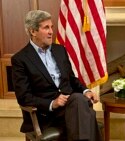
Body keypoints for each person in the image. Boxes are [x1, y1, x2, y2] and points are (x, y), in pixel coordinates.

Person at [11, 10, 102, 141]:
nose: (51, 32)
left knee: (80, 100)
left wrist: (86, 90)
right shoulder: (20, 59)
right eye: (46, 28)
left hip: (70, 107)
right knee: (86, 111)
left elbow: (71, 79)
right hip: (46, 115)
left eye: (52, 27)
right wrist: (52, 103)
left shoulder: (60, 50)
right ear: (33, 31)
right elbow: (23, 97)